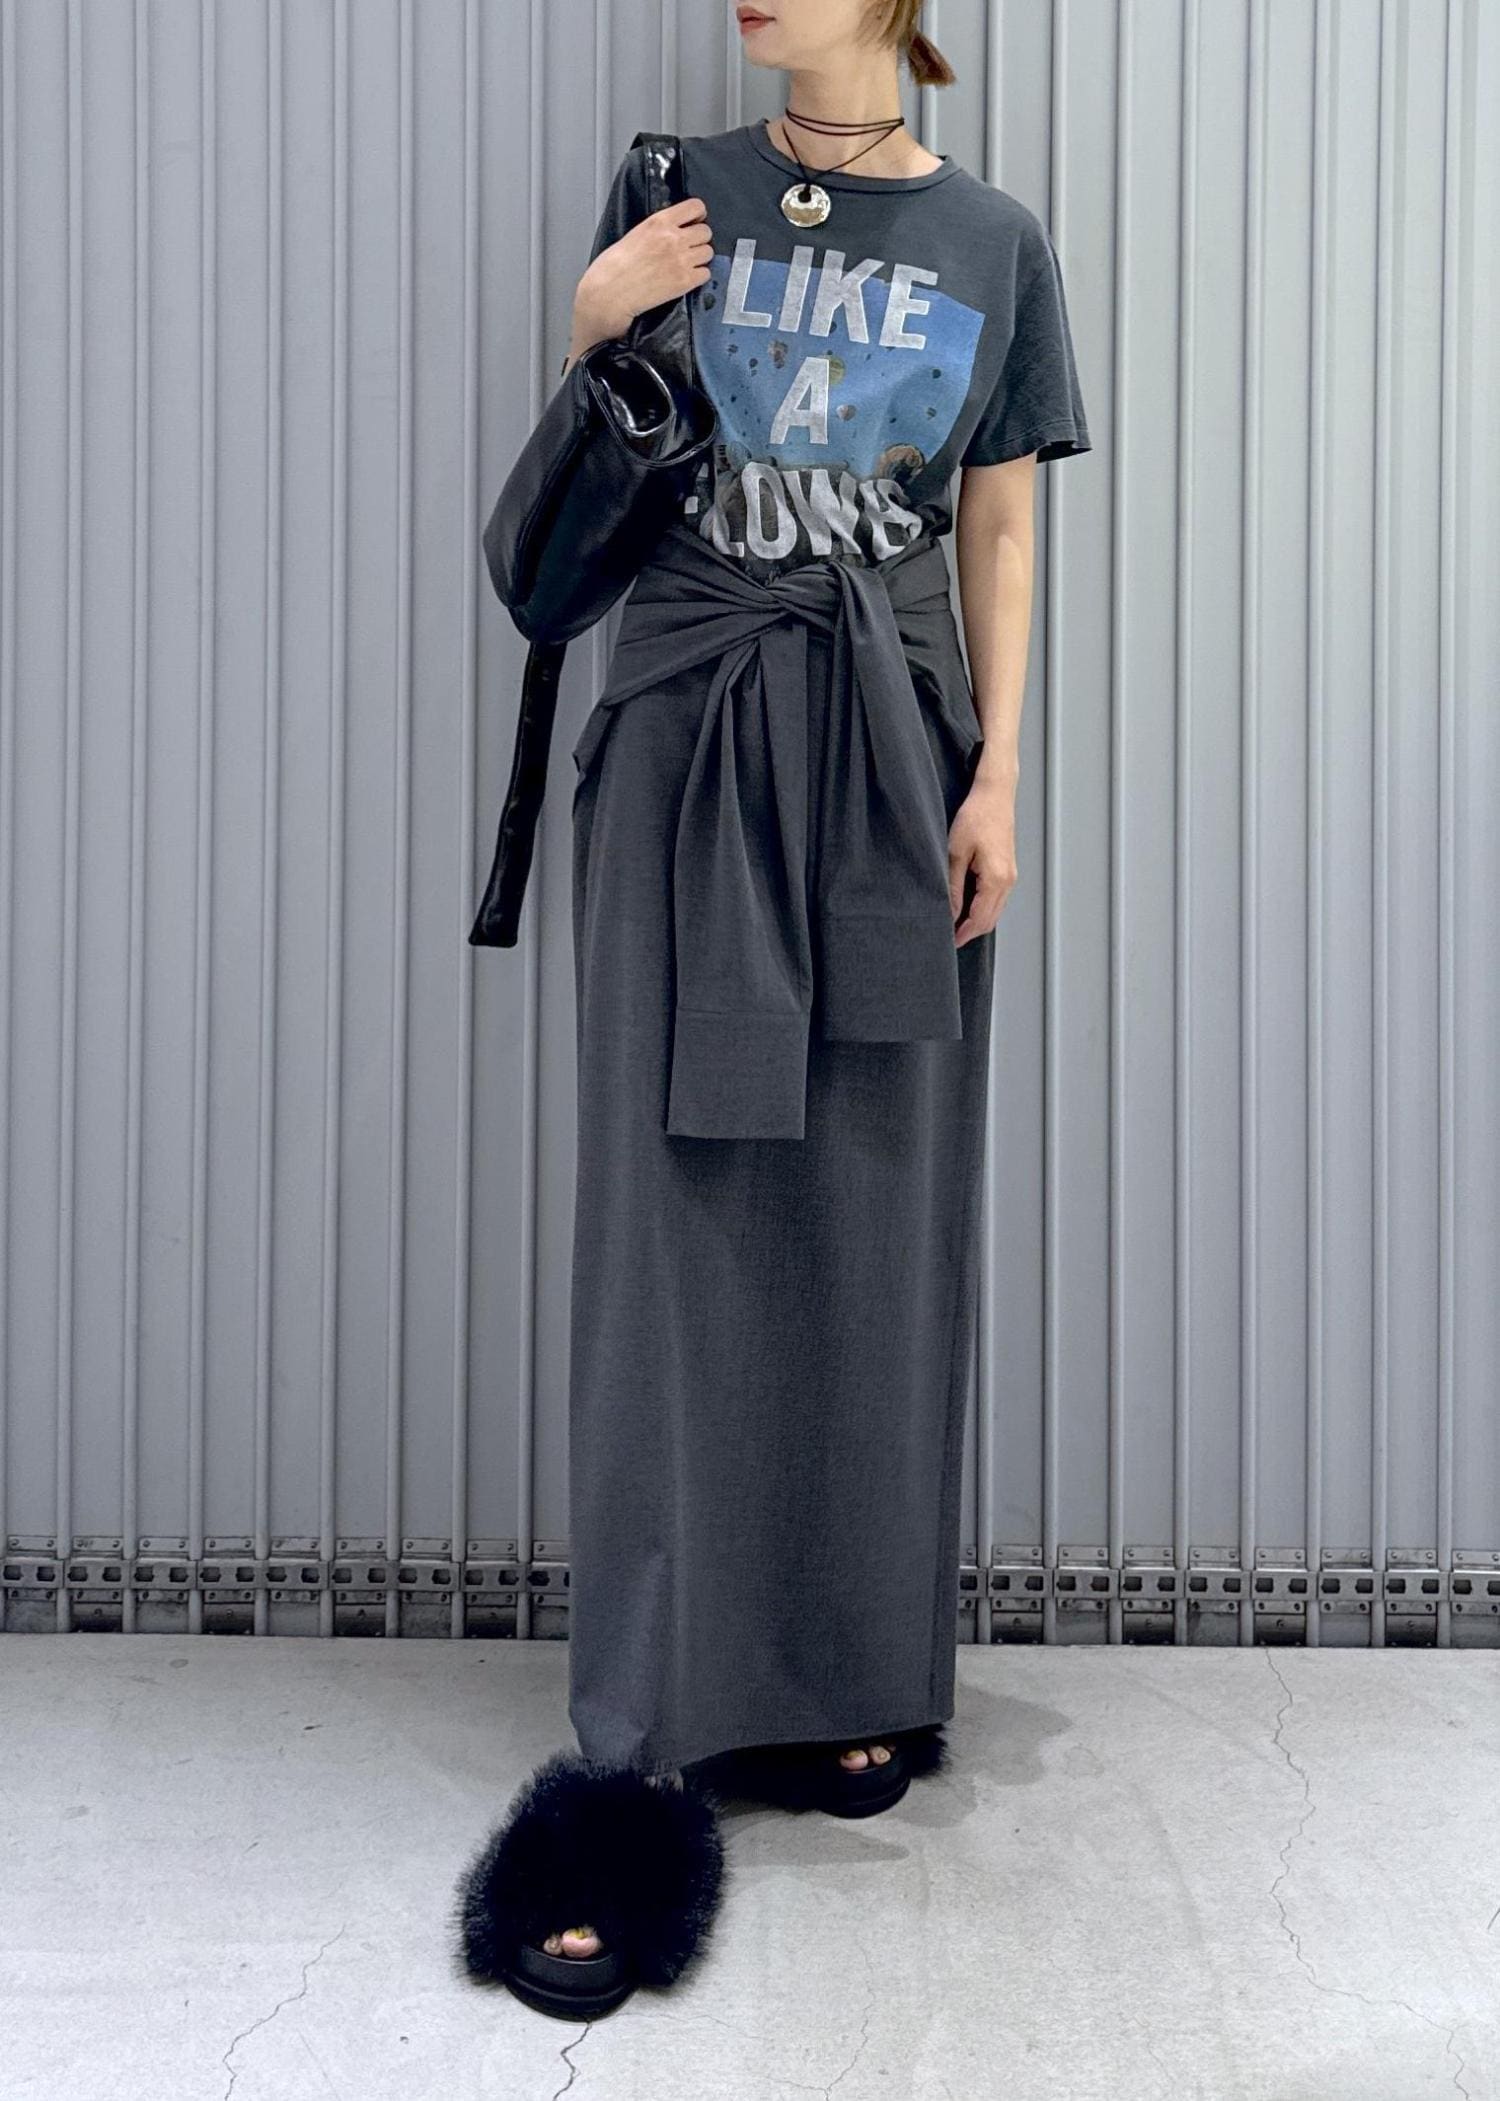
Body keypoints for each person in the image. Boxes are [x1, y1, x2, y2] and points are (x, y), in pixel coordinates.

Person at [453, 0, 1090, 2021]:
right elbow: (596, 480)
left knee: (881, 1209)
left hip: (897, 760)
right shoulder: (677, 197)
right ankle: (643, 1730)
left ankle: (847, 1674)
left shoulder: (993, 241)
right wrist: (590, 319)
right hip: (684, 731)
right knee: (665, 1225)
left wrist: (1000, 774)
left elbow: (999, 516)